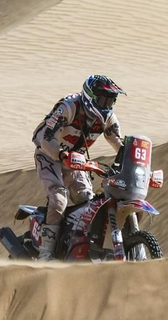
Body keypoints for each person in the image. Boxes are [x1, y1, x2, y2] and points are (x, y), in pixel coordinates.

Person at [30, 74, 125, 260]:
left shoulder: (108, 117)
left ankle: (74, 246)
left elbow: (119, 143)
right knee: (58, 200)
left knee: (87, 202)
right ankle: (45, 254)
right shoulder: (69, 107)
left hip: (77, 161)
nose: (107, 105)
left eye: (111, 101)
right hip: (50, 156)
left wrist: (131, 160)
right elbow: (43, 137)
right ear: (90, 96)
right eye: (103, 100)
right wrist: (61, 154)